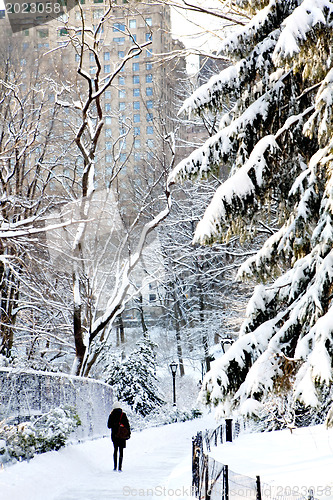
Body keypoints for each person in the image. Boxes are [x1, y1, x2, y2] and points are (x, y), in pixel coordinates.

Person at [107, 401, 130, 472]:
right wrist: (128, 433)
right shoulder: (123, 415)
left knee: (115, 450)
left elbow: (109, 426)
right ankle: (120, 467)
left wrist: (114, 425)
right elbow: (127, 425)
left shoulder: (111, 415)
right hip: (122, 436)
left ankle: (115, 466)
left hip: (115, 435)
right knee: (121, 451)